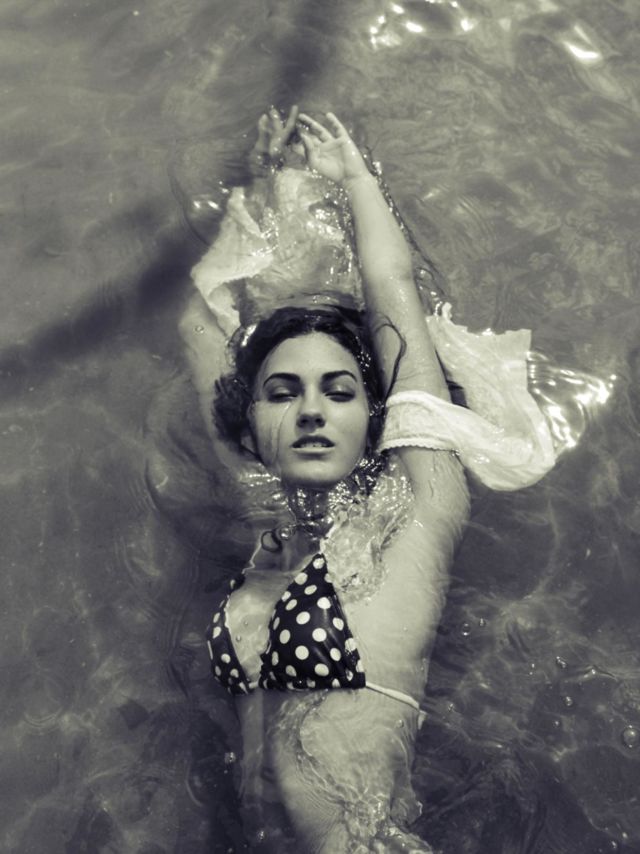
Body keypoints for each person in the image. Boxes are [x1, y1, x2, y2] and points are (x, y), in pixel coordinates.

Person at [180, 107, 558, 852]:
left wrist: (355, 175)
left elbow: (391, 291)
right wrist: (254, 188)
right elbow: (199, 329)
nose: (311, 411)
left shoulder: (420, 509)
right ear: (253, 422)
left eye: (339, 392)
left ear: (374, 416)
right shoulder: (268, 522)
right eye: (283, 393)